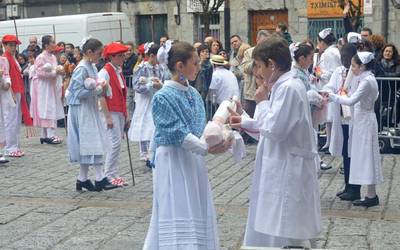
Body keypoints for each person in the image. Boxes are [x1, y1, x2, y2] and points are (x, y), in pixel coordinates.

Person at [229, 35, 321, 247]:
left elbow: (273, 129)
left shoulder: (289, 87)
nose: (258, 73)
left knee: (290, 225)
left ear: (271, 65)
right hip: (283, 160)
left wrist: (261, 103)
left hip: (290, 166)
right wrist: (243, 121)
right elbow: (269, 126)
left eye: (260, 66)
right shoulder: (283, 86)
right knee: (281, 223)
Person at [143, 41, 229, 250]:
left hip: (192, 157)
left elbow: (199, 128)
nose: (198, 68)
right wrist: (205, 147)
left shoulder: (194, 95)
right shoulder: (163, 96)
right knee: (176, 203)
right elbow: (176, 131)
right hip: (172, 157)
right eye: (195, 63)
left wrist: (219, 137)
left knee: (196, 202)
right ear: (179, 66)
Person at [328, 51, 383, 207]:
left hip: (365, 122)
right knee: (363, 157)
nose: (351, 68)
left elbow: (351, 100)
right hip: (360, 121)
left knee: (367, 157)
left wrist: (332, 96)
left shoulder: (367, 81)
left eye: (353, 65)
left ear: (362, 65)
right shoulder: (362, 78)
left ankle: (371, 195)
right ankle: (370, 194)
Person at [66, 38, 118, 192]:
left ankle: (82, 179)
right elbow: (76, 92)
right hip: (81, 110)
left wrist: (101, 86)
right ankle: (100, 178)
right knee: (92, 141)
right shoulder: (82, 68)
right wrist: (97, 89)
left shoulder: (92, 67)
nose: (101, 56)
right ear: (89, 52)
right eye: (98, 53)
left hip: (89, 107)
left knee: (89, 142)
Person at [324, 43, 360, 200]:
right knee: (346, 152)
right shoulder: (339, 71)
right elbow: (330, 85)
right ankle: (347, 186)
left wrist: (339, 95)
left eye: (347, 57)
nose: (344, 60)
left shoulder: (359, 73)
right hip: (342, 118)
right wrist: (328, 91)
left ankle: (355, 189)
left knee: (354, 153)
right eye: (342, 57)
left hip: (353, 118)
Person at [128, 43, 168, 162]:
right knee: (145, 122)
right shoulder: (142, 68)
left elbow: (164, 81)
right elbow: (136, 86)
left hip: (156, 98)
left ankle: (154, 149)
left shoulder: (159, 68)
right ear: (151, 55)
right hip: (145, 100)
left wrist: (160, 85)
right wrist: (149, 85)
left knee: (154, 124)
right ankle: (144, 150)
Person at [98, 42, 130, 187]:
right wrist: (107, 116)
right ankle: (108, 174)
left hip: (119, 110)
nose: (123, 58)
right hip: (110, 111)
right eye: (120, 56)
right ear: (111, 57)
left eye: (123, 55)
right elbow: (101, 95)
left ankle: (114, 172)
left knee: (117, 143)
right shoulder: (105, 72)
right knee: (114, 143)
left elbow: (123, 94)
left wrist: (126, 114)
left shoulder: (118, 70)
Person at [2, 35, 33, 158]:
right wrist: (10, 92)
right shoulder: (4, 58)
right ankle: (10, 147)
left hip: (18, 90)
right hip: (10, 92)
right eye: (10, 45)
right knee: (10, 119)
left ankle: (15, 145)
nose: (13, 47)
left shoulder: (13, 58)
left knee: (16, 119)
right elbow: (5, 76)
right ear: (4, 46)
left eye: (14, 45)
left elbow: (18, 73)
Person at [30, 35, 65, 145]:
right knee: (47, 107)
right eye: (52, 42)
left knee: (50, 106)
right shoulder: (41, 57)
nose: (54, 44)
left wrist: (59, 70)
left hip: (51, 84)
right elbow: (39, 72)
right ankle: (49, 134)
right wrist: (55, 72)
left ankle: (45, 135)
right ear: (46, 45)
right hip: (43, 86)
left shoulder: (53, 57)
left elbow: (54, 69)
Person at [315, 28, 342, 153]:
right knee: (328, 118)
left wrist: (320, 74)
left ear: (322, 42)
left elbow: (333, 72)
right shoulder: (333, 51)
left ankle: (330, 144)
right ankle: (328, 143)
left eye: (318, 42)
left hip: (329, 88)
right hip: (330, 88)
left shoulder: (329, 53)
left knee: (330, 118)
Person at [240, 30, 270, 118]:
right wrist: (255, 60)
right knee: (249, 116)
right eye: (263, 41)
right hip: (251, 93)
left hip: (265, 91)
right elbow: (244, 68)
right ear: (257, 40)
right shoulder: (249, 52)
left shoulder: (270, 53)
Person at [0, 56, 12, 164]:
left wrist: (7, 83)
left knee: (1, 122)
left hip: (2, 93)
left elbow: (6, 74)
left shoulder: (3, 60)